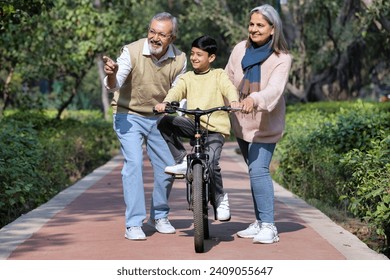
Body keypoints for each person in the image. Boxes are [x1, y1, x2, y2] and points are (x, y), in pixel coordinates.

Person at [102, 12, 187, 241]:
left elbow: (178, 93)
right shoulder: (131, 51)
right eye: (152, 31)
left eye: (161, 34)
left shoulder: (180, 59)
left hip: (159, 118)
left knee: (168, 166)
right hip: (128, 114)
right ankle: (133, 223)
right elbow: (115, 83)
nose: (155, 37)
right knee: (134, 163)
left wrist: (175, 116)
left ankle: (158, 216)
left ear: (172, 37)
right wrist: (111, 75)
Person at [225, 4, 292, 243]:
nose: (254, 29)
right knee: (253, 172)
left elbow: (275, 90)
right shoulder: (239, 49)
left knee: (258, 170)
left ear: (273, 29)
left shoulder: (281, 58)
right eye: (252, 24)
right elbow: (227, 79)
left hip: (265, 125)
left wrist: (254, 98)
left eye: (260, 25)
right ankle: (259, 221)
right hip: (241, 123)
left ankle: (269, 226)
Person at [154, 35, 239, 221]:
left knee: (212, 163)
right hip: (195, 125)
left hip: (215, 129)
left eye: (199, 55)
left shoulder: (219, 75)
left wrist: (233, 101)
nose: (194, 58)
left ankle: (219, 199)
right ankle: (183, 160)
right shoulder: (187, 77)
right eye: (192, 54)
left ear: (211, 58)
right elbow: (176, 90)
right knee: (164, 121)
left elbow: (229, 88)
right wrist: (166, 102)